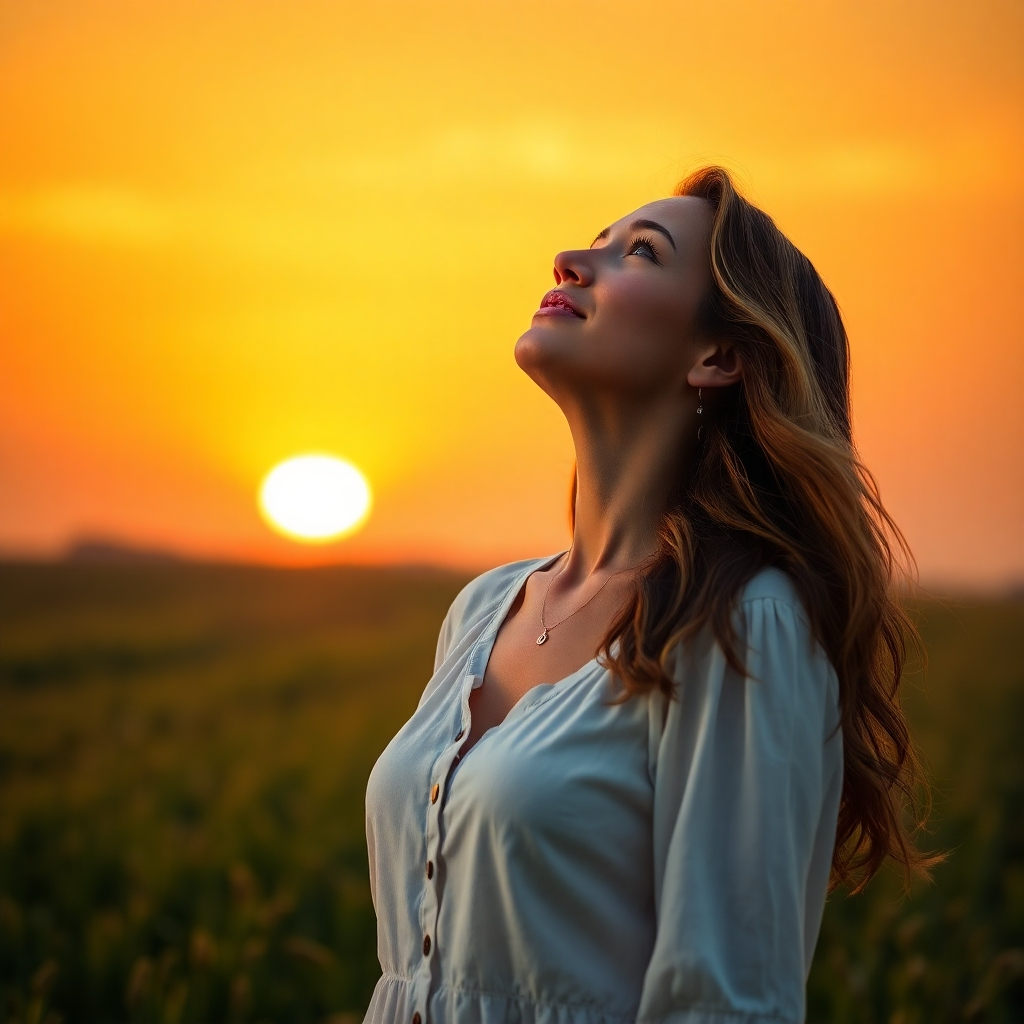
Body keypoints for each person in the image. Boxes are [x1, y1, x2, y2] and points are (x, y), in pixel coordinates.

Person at [362, 166, 931, 1024]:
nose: (567, 261)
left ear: (718, 356)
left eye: (639, 252)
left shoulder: (747, 623)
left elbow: (725, 1005)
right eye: (592, 241)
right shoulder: (483, 610)